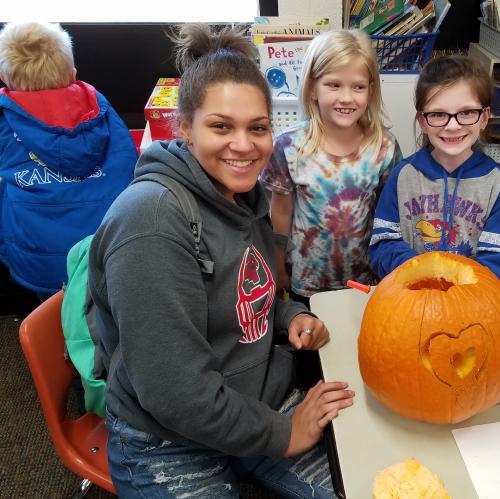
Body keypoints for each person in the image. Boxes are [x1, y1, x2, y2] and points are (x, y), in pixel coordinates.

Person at [88, 24, 354, 498]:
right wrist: (283, 434)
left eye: (258, 127)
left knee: (366, 481)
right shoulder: (151, 221)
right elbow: (175, 394)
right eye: (220, 126)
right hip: (167, 439)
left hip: (252, 400)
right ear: (183, 127)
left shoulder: (242, 195)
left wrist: (289, 314)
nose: (244, 145)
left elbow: (248, 294)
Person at [260, 29, 401, 307]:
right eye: (334, 85)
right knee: (311, 346)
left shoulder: (384, 147)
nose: (347, 98)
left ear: (371, 89)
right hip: (307, 279)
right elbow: (281, 209)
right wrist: (277, 263)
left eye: (358, 86)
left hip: (364, 277)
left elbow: (388, 213)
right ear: (312, 87)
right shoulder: (289, 146)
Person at [0, 21, 136, 300]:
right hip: (107, 252)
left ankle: (52, 336)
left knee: (52, 315)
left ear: (4, 77)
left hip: (38, 260)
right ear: (73, 73)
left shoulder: (4, 118)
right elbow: (128, 165)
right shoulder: (99, 107)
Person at [369, 56, 500, 291]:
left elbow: (499, 257)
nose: (452, 125)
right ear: (422, 121)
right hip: (412, 295)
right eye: (438, 114)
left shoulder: (497, 183)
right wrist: (423, 273)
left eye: (467, 112)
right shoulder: (403, 176)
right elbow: (382, 244)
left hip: (473, 300)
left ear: (485, 117)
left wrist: (456, 288)